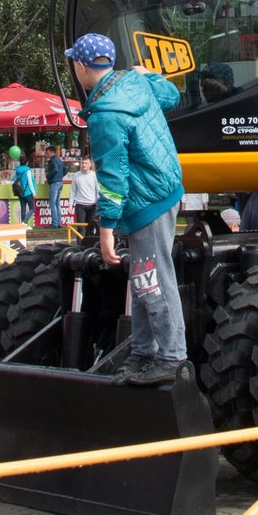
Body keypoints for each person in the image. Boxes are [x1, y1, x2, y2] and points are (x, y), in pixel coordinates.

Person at [67, 32, 188, 386]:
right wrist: (147, 74)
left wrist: (105, 230)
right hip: (165, 190)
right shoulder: (134, 84)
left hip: (146, 201)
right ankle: (144, 351)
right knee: (144, 278)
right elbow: (172, 95)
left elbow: (112, 178)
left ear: (81, 67)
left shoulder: (105, 114)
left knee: (152, 279)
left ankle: (171, 356)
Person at [69, 157, 99, 233]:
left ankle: (89, 244)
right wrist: (70, 205)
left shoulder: (94, 175)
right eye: (83, 163)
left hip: (92, 204)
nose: (84, 165)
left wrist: (99, 203)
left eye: (86, 163)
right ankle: (80, 244)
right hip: (80, 204)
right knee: (81, 228)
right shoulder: (76, 175)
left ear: (90, 165)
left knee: (91, 227)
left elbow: (98, 190)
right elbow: (73, 190)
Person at [42, 145, 65, 229]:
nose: (46, 154)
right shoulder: (59, 160)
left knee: (53, 203)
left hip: (54, 183)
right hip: (60, 182)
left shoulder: (53, 160)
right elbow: (66, 170)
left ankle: (55, 223)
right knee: (57, 204)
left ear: (51, 152)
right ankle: (59, 223)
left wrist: (48, 176)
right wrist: (60, 176)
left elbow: (55, 169)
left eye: (47, 153)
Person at [13, 155, 35, 225]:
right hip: (27, 192)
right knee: (32, 209)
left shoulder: (17, 170)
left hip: (20, 192)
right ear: (27, 162)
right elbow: (30, 182)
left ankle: (24, 225)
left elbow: (12, 179)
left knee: (23, 208)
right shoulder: (27, 170)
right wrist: (34, 193)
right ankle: (24, 222)